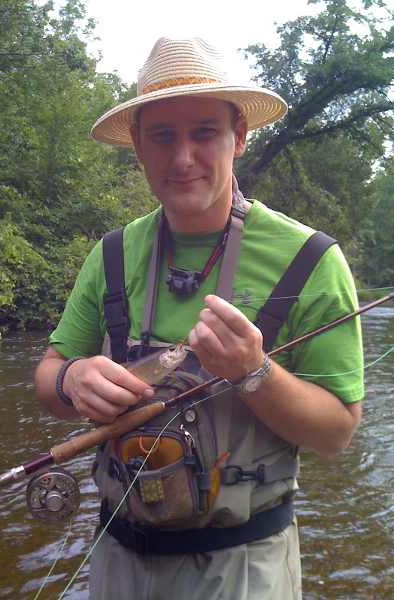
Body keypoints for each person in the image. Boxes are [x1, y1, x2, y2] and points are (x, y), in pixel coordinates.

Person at [35, 37, 364, 600]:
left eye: (203, 133)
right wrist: (71, 380)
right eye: (162, 135)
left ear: (239, 136)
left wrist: (254, 372)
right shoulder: (111, 255)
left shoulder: (311, 260)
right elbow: (48, 373)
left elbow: (336, 432)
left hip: (244, 567)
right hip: (117, 560)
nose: (182, 157)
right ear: (138, 144)